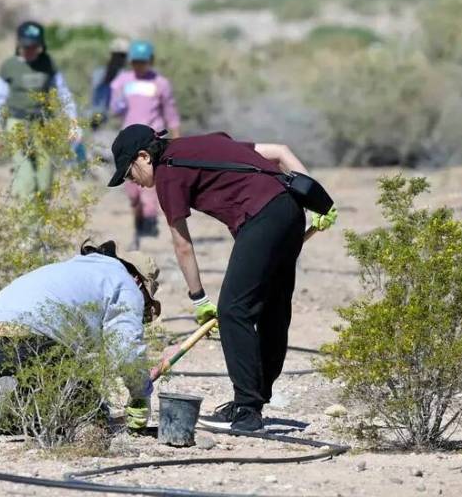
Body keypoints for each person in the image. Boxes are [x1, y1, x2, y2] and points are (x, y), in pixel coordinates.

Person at [107, 124, 336, 433]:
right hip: (291, 212)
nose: (132, 182)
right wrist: (320, 202)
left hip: (262, 219)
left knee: (233, 310)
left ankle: (247, 409)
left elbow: (182, 245)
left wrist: (198, 298)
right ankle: (253, 401)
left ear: (145, 156)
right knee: (272, 309)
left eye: (130, 173)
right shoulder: (204, 143)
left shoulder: (168, 174)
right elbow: (281, 153)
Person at [0, 239, 161, 443]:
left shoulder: (76, 268)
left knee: (43, 409)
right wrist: (140, 394)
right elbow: (127, 351)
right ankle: (3, 414)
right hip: (31, 343)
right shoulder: (125, 283)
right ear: (138, 280)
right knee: (89, 419)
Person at [0, 21, 80, 199]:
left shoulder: (48, 63)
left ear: (40, 46)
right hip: (17, 124)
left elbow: (64, 94)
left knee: (45, 182)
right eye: (25, 46)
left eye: (34, 46)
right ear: (18, 45)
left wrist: (73, 124)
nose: (29, 50)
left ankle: (38, 223)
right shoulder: (9, 66)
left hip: (44, 125)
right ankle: (26, 225)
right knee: (26, 180)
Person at [109, 40, 181, 248]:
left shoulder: (161, 83)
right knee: (132, 193)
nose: (139, 66)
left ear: (150, 61)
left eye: (143, 62)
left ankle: (148, 233)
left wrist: (176, 139)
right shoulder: (122, 81)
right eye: (135, 62)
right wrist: (118, 102)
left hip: (152, 141)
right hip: (129, 140)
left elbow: (171, 113)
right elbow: (115, 107)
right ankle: (138, 225)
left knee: (149, 188)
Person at [88, 38, 129, 130]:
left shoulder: (126, 75)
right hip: (100, 120)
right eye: (116, 55)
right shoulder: (99, 73)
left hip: (117, 122)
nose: (119, 59)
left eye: (122, 56)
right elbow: (94, 95)